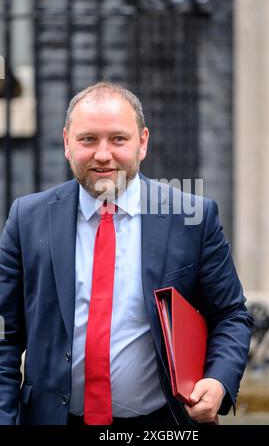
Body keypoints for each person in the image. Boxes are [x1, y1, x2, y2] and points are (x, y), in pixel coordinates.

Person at [0, 81, 252, 426]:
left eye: (118, 139)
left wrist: (219, 379)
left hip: (160, 423)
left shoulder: (193, 218)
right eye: (88, 139)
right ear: (66, 143)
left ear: (142, 143)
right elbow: (5, 336)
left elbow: (230, 315)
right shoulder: (26, 219)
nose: (103, 154)